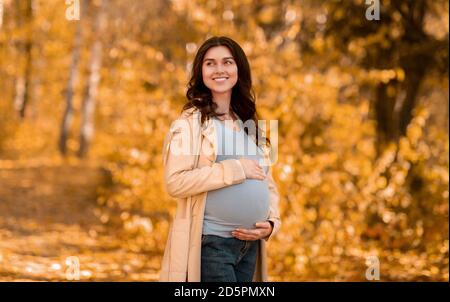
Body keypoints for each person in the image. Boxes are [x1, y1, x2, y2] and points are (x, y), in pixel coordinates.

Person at [159, 36, 281, 282]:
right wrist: (235, 170)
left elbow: (267, 182)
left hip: (249, 247)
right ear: (200, 71)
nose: (220, 69)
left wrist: (271, 222)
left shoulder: (248, 122)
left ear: (239, 69)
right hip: (213, 244)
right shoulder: (190, 122)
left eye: (227, 62)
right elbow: (175, 182)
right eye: (210, 63)